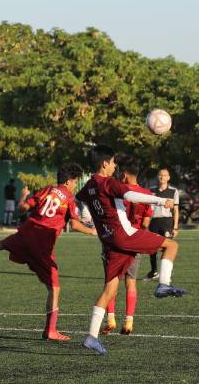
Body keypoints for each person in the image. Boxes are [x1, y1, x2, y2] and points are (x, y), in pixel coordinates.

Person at [0, 163, 96, 341]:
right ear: (68, 182)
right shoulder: (69, 199)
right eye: (75, 182)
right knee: (54, 288)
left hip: (27, 232)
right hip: (42, 242)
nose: (75, 185)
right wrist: (92, 231)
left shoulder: (47, 190)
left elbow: (23, 209)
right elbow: (74, 224)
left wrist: (23, 196)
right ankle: (50, 330)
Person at [76, 146, 186, 355]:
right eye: (113, 161)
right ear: (105, 163)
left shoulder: (89, 185)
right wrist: (162, 200)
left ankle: (91, 336)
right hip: (123, 234)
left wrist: (86, 215)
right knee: (171, 245)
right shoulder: (108, 183)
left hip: (108, 240)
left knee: (109, 290)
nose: (115, 165)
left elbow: (79, 198)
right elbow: (133, 194)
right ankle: (163, 284)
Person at [102, 156, 154, 336]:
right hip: (135, 241)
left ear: (124, 174)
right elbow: (146, 223)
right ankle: (129, 322)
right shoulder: (147, 194)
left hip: (115, 240)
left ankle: (110, 318)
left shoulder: (118, 191)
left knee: (112, 281)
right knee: (131, 282)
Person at [144, 167, 180, 281]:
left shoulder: (173, 191)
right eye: (160, 175)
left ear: (168, 177)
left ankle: (166, 273)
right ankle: (154, 271)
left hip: (167, 222)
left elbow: (175, 210)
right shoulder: (151, 191)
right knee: (152, 247)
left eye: (165, 175)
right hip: (154, 222)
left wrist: (175, 227)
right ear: (157, 177)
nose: (162, 177)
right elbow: (148, 208)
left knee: (167, 247)